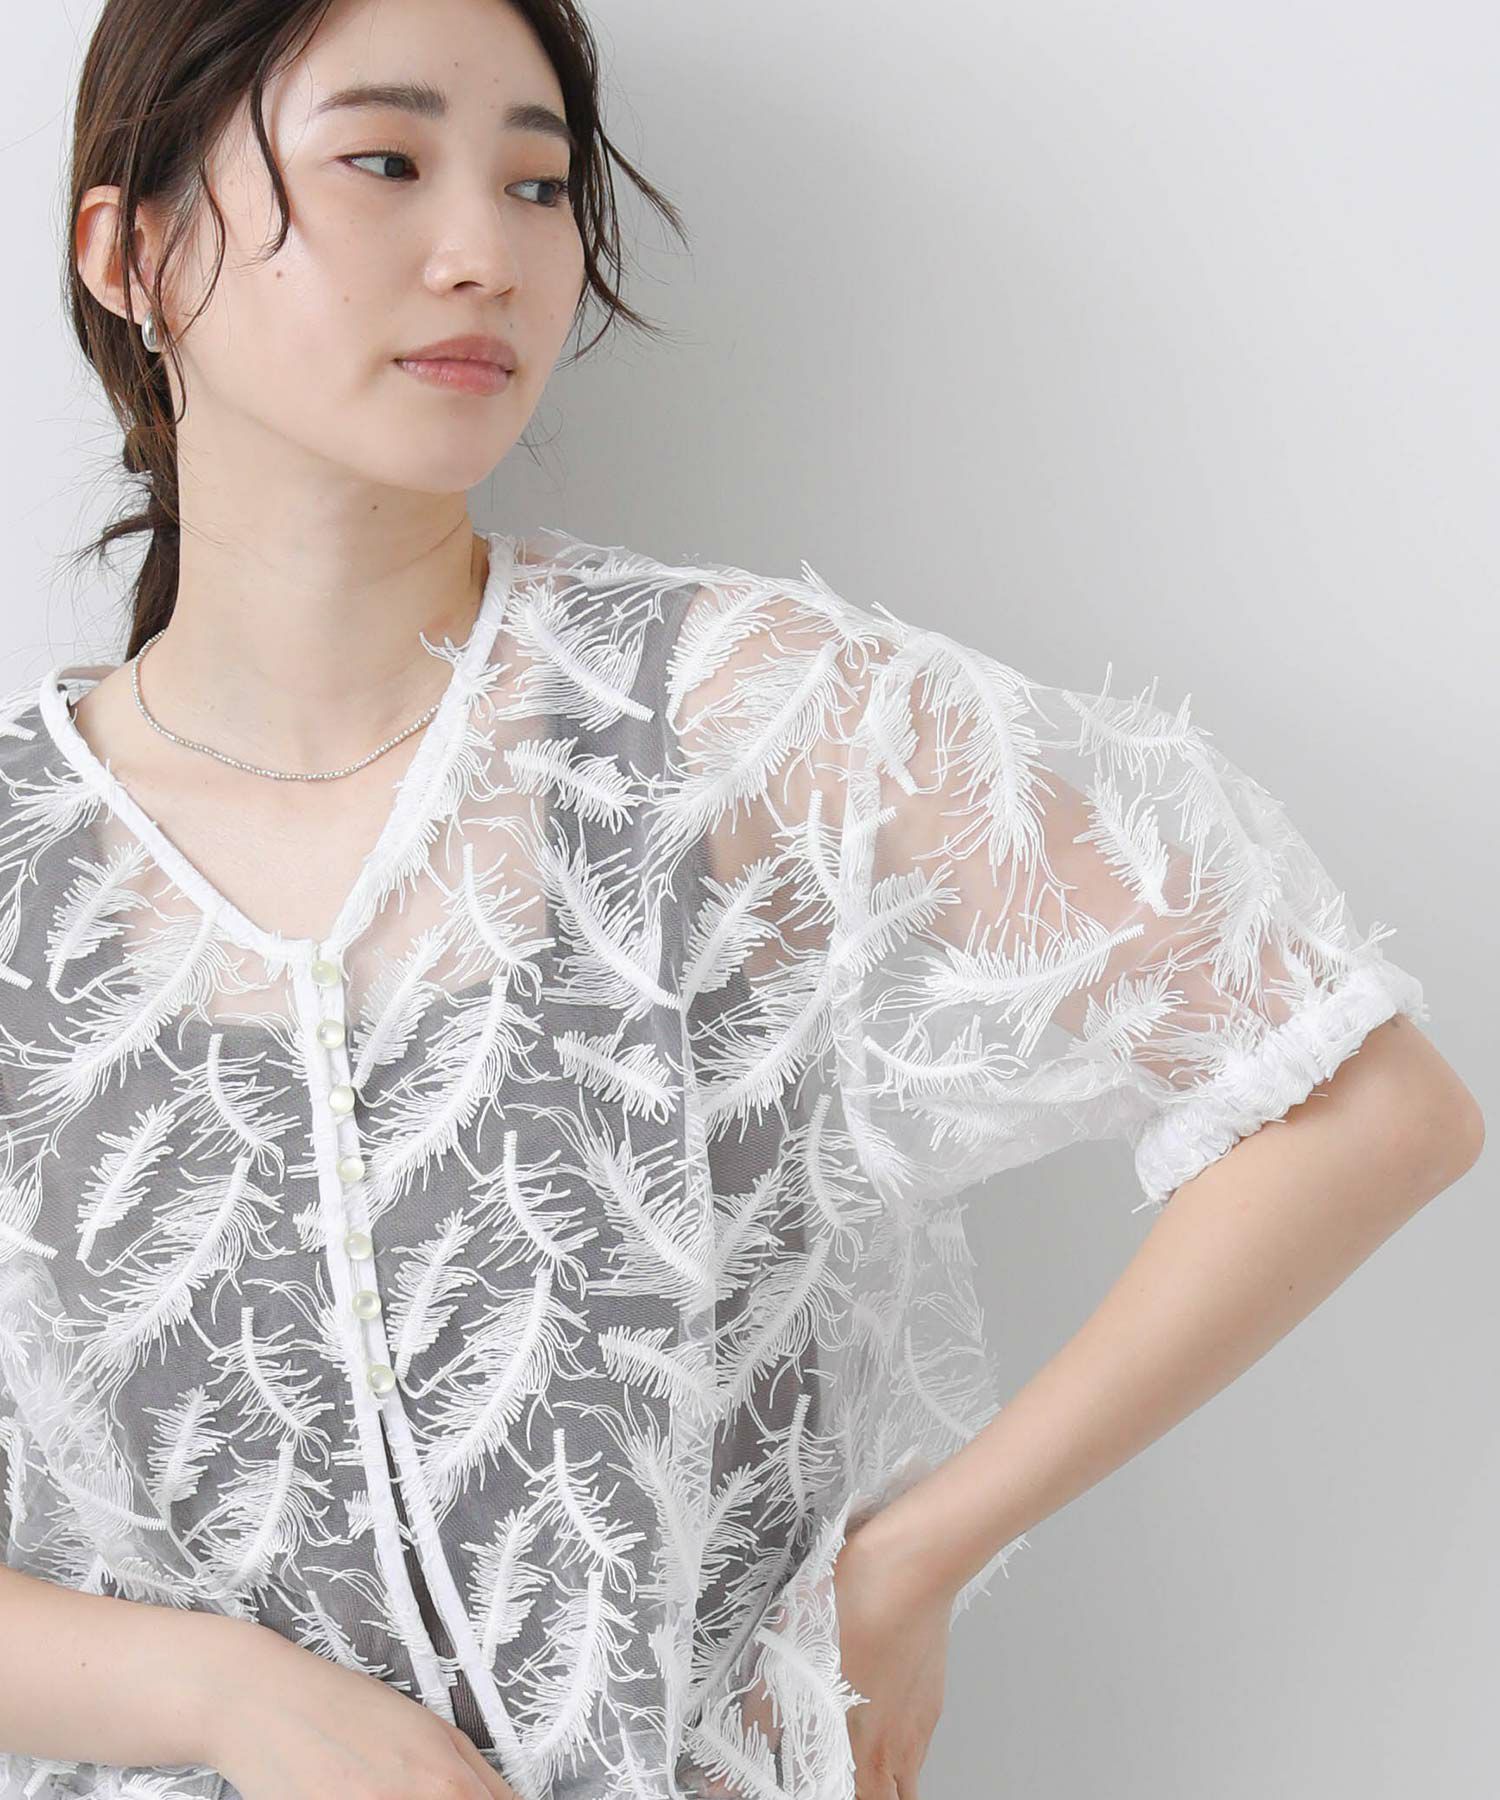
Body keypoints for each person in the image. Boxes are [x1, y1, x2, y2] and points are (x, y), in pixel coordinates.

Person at [0, 0, 1483, 1797]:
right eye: (384, 161)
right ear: (131, 252)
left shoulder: (741, 720)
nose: (485, 255)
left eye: (537, 185)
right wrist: (222, 1697)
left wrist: (913, 1567)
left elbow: (1361, 1103)